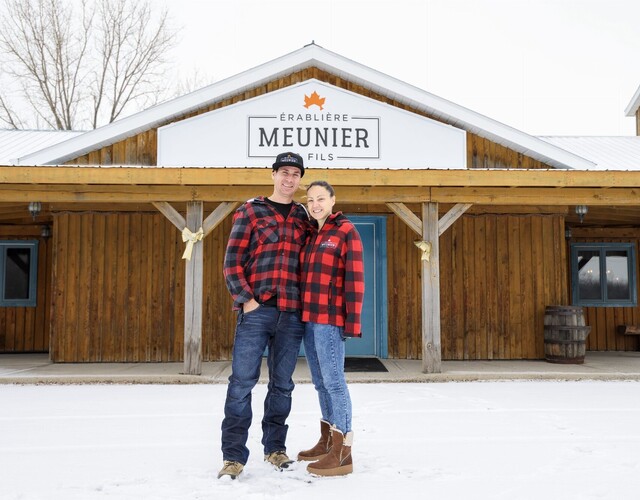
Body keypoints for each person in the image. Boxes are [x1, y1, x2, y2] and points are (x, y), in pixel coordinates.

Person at [218, 152, 310, 480]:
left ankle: (275, 449)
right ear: (273, 174)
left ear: (300, 179)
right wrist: (247, 301)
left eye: (295, 174)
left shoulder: (304, 216)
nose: (289, 179)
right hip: (257, 311)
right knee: (241, 383)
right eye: (284, 172)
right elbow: (232, 261)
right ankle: (233, 457)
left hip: (292, 313)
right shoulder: (251, 210)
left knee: (282, 385)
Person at [297, 180, 365, 477]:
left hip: (330, 319)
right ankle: (326, 441)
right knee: (320, 383)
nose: (315, 204)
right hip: (309, 319)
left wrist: (352, 322)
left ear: (333, 200)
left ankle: (342, 451)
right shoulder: (312, 234)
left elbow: (355, 280)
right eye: (310, 200)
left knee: (335, 382)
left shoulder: (345, 231)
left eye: (320, 198)